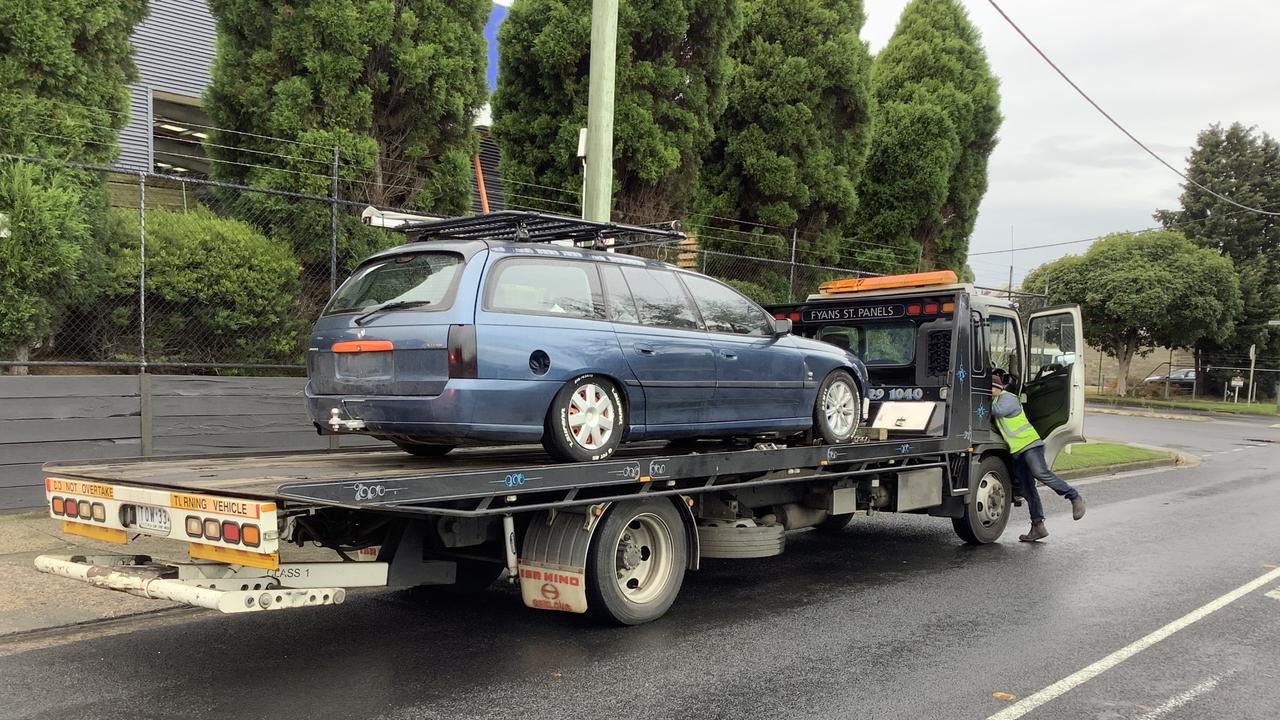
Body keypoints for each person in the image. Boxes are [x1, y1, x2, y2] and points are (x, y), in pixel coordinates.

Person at [991, 373, 1085, 541]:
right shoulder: (996, 400)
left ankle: (1074, 497)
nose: (989, 392)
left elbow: (997, 412)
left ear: (999, 388)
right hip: (1018, 452)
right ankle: (1038, 526)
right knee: (1028, 490)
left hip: (1030, 446)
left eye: (991, 389)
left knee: (1041, 473)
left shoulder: (1008, 399)